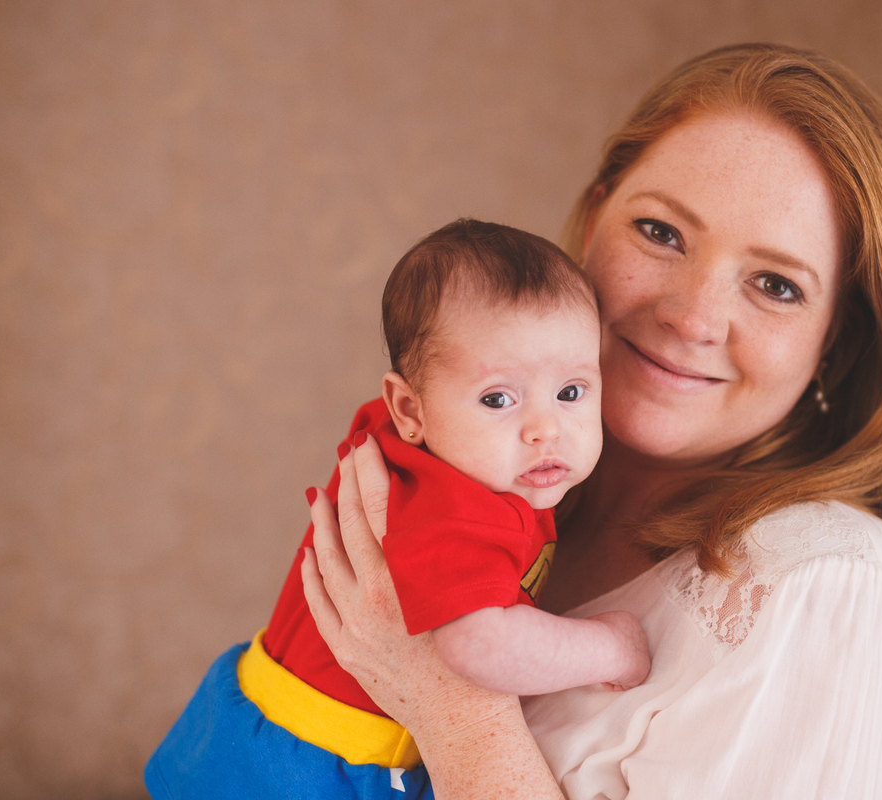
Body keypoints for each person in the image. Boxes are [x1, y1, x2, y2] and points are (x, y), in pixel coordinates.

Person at [303, 43, 882, 799]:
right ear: (594, 217)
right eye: (662, 233)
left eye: (775, 284)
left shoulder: (827, 582)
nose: (692, 316)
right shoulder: (492, 487)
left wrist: (454, 707)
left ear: (835, 337)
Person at [144, 220, 651, 799]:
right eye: (498, 398)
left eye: (571, 392)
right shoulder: (457, 504)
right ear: (409, 408)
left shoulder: (419, 447)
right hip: (311, 767)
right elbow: (479, 646)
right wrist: (614, 646)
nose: (546, 430)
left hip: (263, 723)